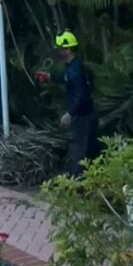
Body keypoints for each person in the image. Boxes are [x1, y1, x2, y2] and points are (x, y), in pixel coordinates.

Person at [37, 31, 100, 178]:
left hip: (82, 117)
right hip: (87, 114)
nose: (58, 51)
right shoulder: (73, 66)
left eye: (60, 48)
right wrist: (49, 77)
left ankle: (78, 186)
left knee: (78, 152)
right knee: (89, 150)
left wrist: (69, 114)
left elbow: (81, 96)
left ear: (68, 49)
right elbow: (66, 79)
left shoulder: (75, 71)